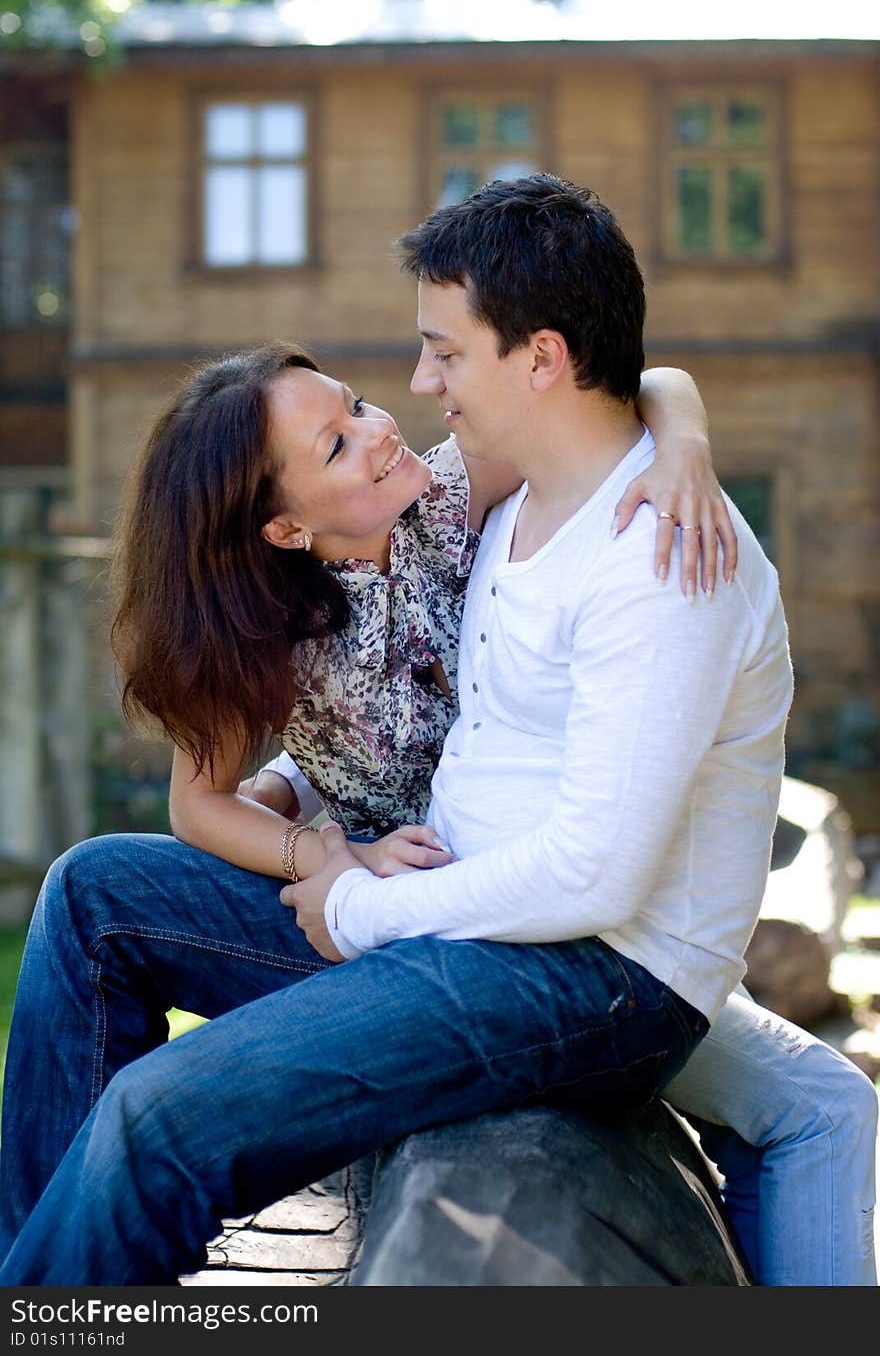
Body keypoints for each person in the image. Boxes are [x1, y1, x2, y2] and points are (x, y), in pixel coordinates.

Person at [0, 177, 874, 1288]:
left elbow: (617, 383)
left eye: (430, 361)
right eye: (338, 440)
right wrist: (314, 838)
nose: (405, 401)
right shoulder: (367, 573)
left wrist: (687, 444)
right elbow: (206, 796)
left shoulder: (525, 513)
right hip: (439, 901)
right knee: (94, 895)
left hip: (537, 944)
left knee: (156, 1117)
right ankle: (33, 1266)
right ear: (282, 525)